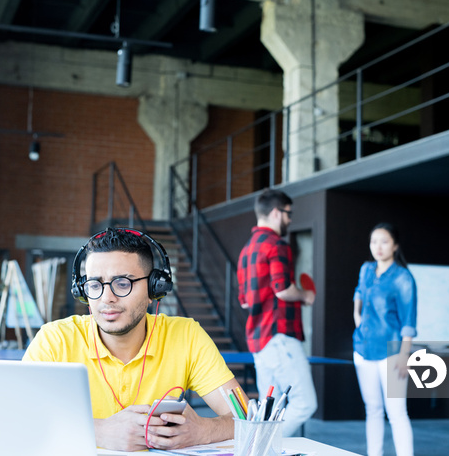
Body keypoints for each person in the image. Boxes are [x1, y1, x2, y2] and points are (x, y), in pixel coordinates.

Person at [23, 228, 243, 452]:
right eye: (95, 285)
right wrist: (98, 431)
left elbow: (247, 418)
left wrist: (203, 430)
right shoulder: (55, 340)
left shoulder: (186, 336)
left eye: (122, 283)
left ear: (153, 290)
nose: (107, 298)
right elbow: (16, 416)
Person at [236, 188, 317, 437]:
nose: (290, 220)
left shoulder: (245, 251)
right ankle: (262, 448)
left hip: (259, 343)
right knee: (305, 404)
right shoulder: (277, 245)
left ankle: (258, 448)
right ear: (275, 213)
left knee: (269, 411)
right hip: (279, 336)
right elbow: (282, 290)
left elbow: (245, 303)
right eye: (288, 214)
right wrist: (306, 295)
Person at [352, 223, 417, 456]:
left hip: (391, 352)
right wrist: (357, 315)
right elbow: (359, 293)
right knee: (373, 410)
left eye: (384, 241)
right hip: (362, 349)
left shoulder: (403, 278)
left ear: (395, 246)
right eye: (374, 241)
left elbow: (409, 320)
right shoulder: (366, 269)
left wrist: (404, 355)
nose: (378, 247)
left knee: (397, 412)